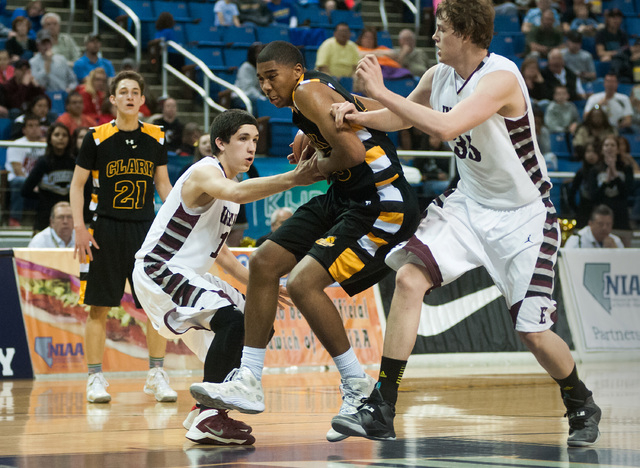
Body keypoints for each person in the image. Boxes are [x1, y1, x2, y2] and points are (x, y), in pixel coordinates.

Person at [329, 0, 601, 447]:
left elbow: (447, 127)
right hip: (470, 205)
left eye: (441, 29)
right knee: (410, 279)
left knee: (532, 332)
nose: (434, 37)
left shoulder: (501, 78)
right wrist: (358, 116)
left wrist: (377, 90)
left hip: (524, 216)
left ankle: (580, 401)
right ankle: (382, 405)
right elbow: (401, 116)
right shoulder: (438, 76)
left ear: (467, 33)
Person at [187, 40, 420, 443]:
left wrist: (314, 163)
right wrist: (311, 131)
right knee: (264, 262)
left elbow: (349, 153)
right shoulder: (310, 93)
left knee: (301, 283)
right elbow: (354, 110)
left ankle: (357, 386)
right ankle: (249, 379)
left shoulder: (307, 91)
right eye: (260, 79)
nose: (265, 86)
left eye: (271, 76)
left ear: (296, 71)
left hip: (380, 202)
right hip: (346, 196)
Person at [132, 109, 322, 445]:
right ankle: (208, 415)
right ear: (220, 143)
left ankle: (205, 412)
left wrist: (256, 284)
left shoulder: (230, 190)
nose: (251, 148)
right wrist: (294, 177)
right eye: (243, 139)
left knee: (256, 324)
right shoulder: (206, 173)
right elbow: (236, 193)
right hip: (159, 268)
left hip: (188, 272)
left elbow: (219, 252)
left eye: (256, 141)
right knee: (233, 323)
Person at [69, 70, 175, 404]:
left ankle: (156, 374)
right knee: (98, 308)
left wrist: (175, 225)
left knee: (156, 307)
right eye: (123, 92)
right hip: (105, 229)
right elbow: (76, 185)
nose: (130, 97)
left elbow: (163, 186)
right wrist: (80, 227)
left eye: (135, 92)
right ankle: (95, 378)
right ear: (112, 99)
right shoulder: (97, 137)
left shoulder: (157, 136)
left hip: (146, 232)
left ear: (143, 100)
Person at [21, 122, 75, 232]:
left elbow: (85, 190)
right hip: (45, 215)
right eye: (57, 135)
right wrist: (43, 196)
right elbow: (25, 190)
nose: (61, 138)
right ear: (50, 139)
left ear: (69, 139)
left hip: (70, 214)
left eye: (64, 135)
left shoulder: (74, 162)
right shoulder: (43, 162)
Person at [5, 113, 45, 226]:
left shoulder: (45, 144)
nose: (34, 129)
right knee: (19, 181)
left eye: (37, 126)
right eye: (30, 126)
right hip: (19, 180)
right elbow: (18, 170)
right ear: (24, 129)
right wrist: (32, 184)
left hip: (38, 181)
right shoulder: (17, 144)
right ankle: (14, 219)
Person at [594, 134, 633, 230]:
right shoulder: (595, 169)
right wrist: (606, 181)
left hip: (621, 214)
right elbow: (594, 196)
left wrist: (615, 174)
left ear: (618, 149)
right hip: (601, 214)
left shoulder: (627, 168)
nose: (609, 148)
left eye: (612, 145)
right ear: (602, 149)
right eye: (606, 145)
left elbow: (626, 193)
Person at [29, 29, 77, 93]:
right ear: (38, 45)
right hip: (44, 96)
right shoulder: (33, 62)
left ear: (51, 44)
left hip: (63, 94)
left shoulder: (61, 59)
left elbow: (73, 80)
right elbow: (38, 84)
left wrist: (69, 89)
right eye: (43, 43)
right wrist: (47, 63)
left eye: (48, 43)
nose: (46, 46)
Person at [568, 142, 600, 228]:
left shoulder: (603, 171)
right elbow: (571, 194)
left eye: (594, 152)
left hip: (600, 211)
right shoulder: (581, 172)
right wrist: (576, 210)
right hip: (583, 211)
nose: (591, 155)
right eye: (588, 151)